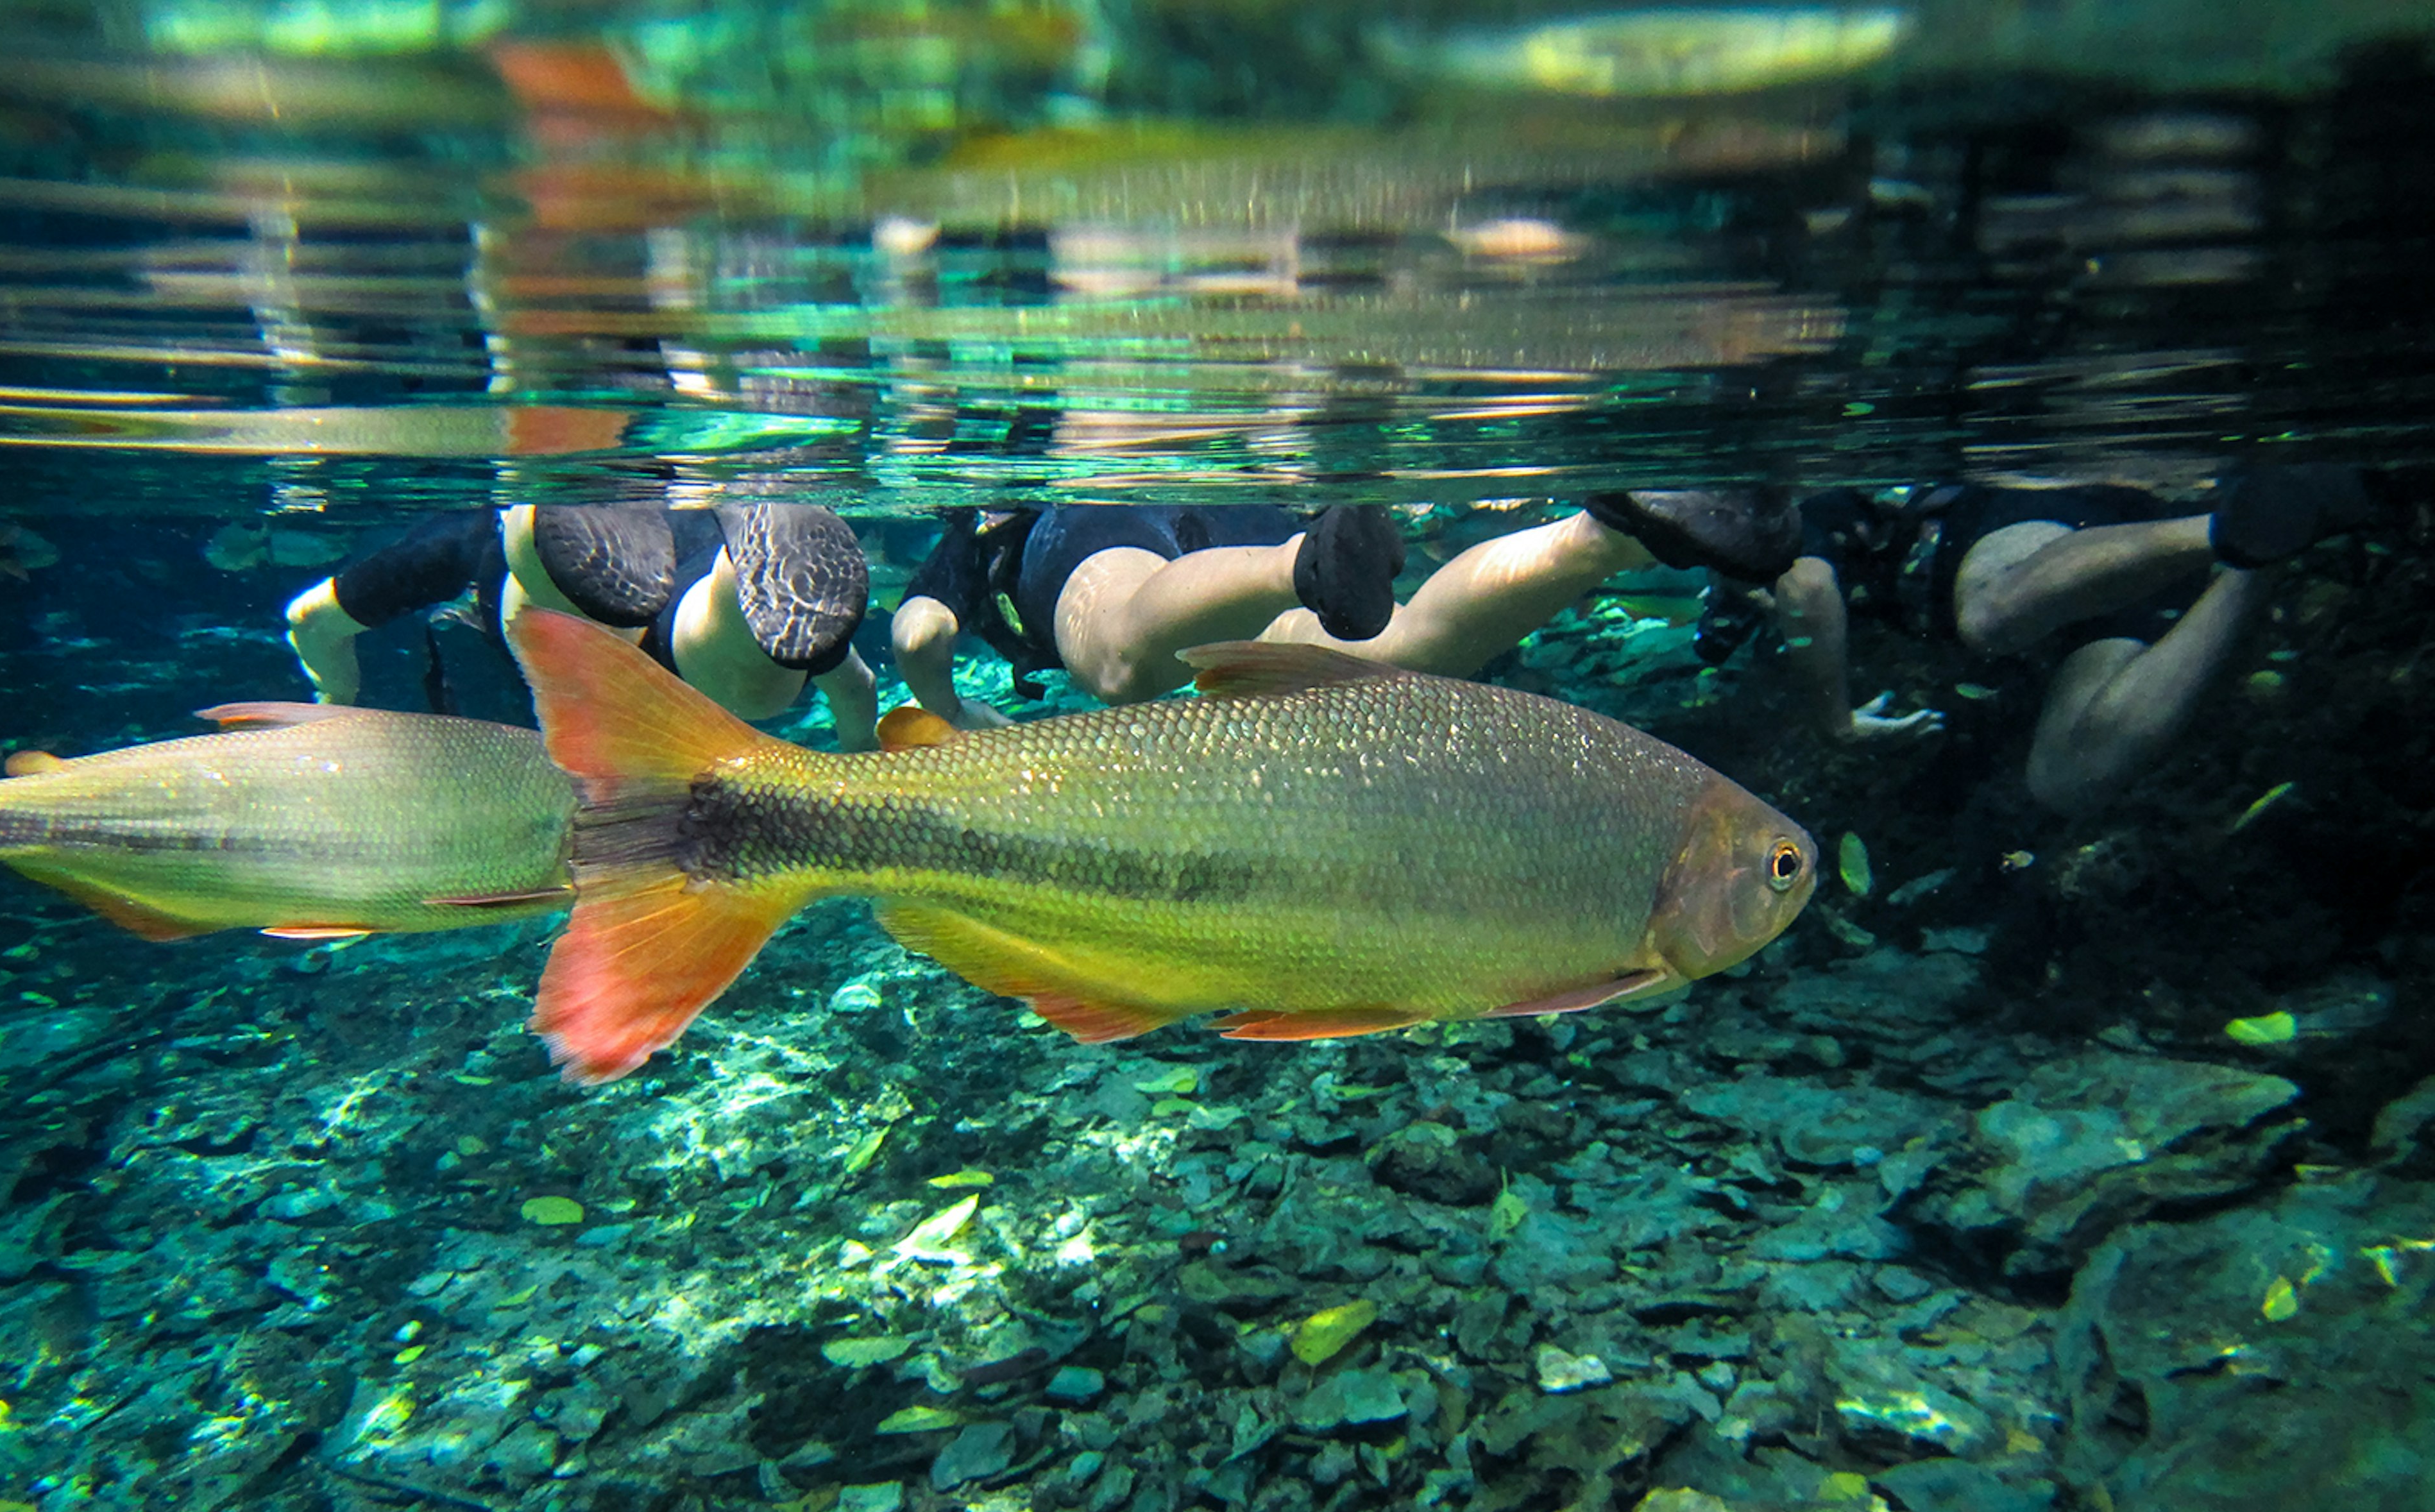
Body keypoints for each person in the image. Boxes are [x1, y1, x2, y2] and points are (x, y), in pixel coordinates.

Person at [1598, 466, 2387, 813]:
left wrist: (1833, 723)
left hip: (2034, 530)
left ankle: (2227, 524)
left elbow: (1807, 588)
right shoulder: (1742, 571)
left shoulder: (1783, 526)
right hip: (2111, 575)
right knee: (2067, 780)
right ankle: (2256, 553)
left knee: (1990, 614)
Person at [890, 500, 1663, 726]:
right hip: (1240, 510)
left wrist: (950, 712)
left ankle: (1297, 566)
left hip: (1091, 524)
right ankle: (1608, 535)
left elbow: (916, 630)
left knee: (1117, 659)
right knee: (1400, 651)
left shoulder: (972, 532)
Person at [285, 500, 883, 751]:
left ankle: (538, 528)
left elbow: (308, 619)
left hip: (602, 636)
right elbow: (855, 687)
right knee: (750, 673)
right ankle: (733, 573)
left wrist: (335, 690)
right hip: (702, 543)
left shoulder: (452, 536)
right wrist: (863, 761)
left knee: (543, 612)